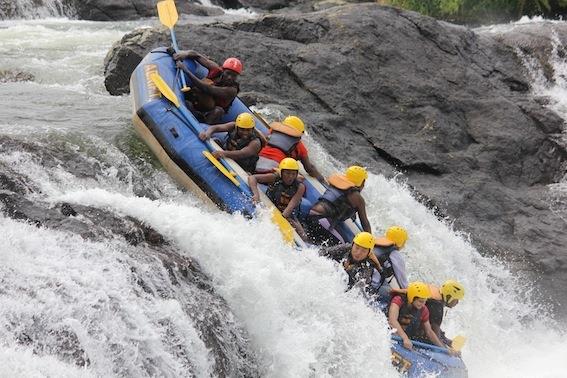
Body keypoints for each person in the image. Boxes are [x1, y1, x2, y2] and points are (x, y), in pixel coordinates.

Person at [305, 166, 371, 245]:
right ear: (361, 182)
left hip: (311, 215)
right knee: (346, 246)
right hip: (323, 222)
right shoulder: (357, 198)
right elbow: (365, 223)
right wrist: (370, 242)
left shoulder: (336, 183)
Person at [173, 50, 242, 124]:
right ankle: (189, 107)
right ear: (223, 70)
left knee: (218, 110)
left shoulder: (232, 90)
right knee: (199, 88)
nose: (229, 77)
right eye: (228, 73)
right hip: (197, 101)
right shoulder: (216, 70)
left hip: (209, 110)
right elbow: (197, 56)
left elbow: (207, 89)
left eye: (234, 76)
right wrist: (186, 54)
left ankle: (203, 127)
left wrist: (186, 70)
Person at [388, 282, 456, 355]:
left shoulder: (423, 309)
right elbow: (392, 321)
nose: (423, 304)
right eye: (420, 301)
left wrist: (443, 349)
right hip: (391, 334)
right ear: (412, 298)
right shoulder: (398, 300)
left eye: (424, 301)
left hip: (405, 337)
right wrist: (405, 338)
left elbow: (429, 332)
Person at [248, 158, 307, 238]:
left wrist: (281, 219)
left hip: (287, 213)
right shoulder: (274, 178)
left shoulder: (300, 187)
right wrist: (256, 194)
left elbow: (291, 206)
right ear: (282, 173)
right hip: (270, 205)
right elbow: (252, 178)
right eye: (288, 173)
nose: (290, 177)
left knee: (304, 236)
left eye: (293, 174)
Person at [255, 116, 324, 182]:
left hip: (256, 162)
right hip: (272, 170)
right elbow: (309, 168)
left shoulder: (272, 132)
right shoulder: (299, 146)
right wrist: (321, 179)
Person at [199, 112, 264, 173]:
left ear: (252, 129)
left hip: (242, 166)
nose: (245, 133)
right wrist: (207, 133)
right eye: (242, 129)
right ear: (237, 127)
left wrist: (224, 153)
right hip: (227, 152)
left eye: (248, 130)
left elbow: (242, 153)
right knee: (215, 140)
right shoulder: (233, 126)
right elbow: (215, 128)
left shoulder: (256, 142)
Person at [369, 226, 409, 297]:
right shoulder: (396, 256)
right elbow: (403, 284)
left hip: (365, 280)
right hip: (374, 288)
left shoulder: (374, 245)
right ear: (401, 243)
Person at [424, 280, 465, 347]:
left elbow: (432, 324)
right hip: (416, 328)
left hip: (420, 323)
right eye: (456, 299)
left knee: (443, 338)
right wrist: (445, 349)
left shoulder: (435, 300)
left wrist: (446, 340)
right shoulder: (436, 307)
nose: (457, 302)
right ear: (449, 297)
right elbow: (434, 333)